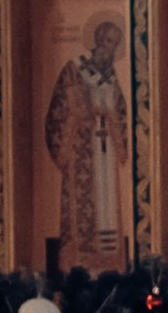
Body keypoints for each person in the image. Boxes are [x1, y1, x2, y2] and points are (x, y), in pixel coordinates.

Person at [45, 17, 128, 268]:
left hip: (106, 152)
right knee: (82, 209)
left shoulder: (112, 76)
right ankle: (80, 267)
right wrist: (86, 112)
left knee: (108, 208)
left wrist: (111, 115)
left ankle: (109, 266)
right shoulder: (74, 69)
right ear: (98, 40)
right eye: (107, 41)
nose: (110, 48)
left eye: (115, 43)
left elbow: (122, 113)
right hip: (81, 150)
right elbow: (58, 112)